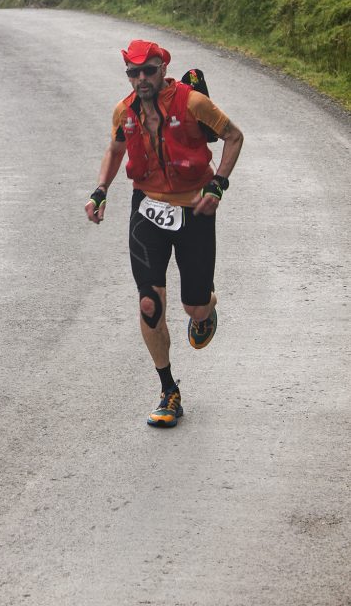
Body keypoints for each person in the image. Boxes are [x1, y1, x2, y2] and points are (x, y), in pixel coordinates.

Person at [85, 39, 244, 428]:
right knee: (149, 304)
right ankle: (168, 390)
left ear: (163, 69)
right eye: (133, 72)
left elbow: (234, 137)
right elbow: (115, 150)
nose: (141, 79)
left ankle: (206, 306)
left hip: (195, 209)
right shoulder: (125, 111)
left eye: (148, 70)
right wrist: (101, 190)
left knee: (195, 306)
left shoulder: (192, 103)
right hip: (148, 211)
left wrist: (217, 184)